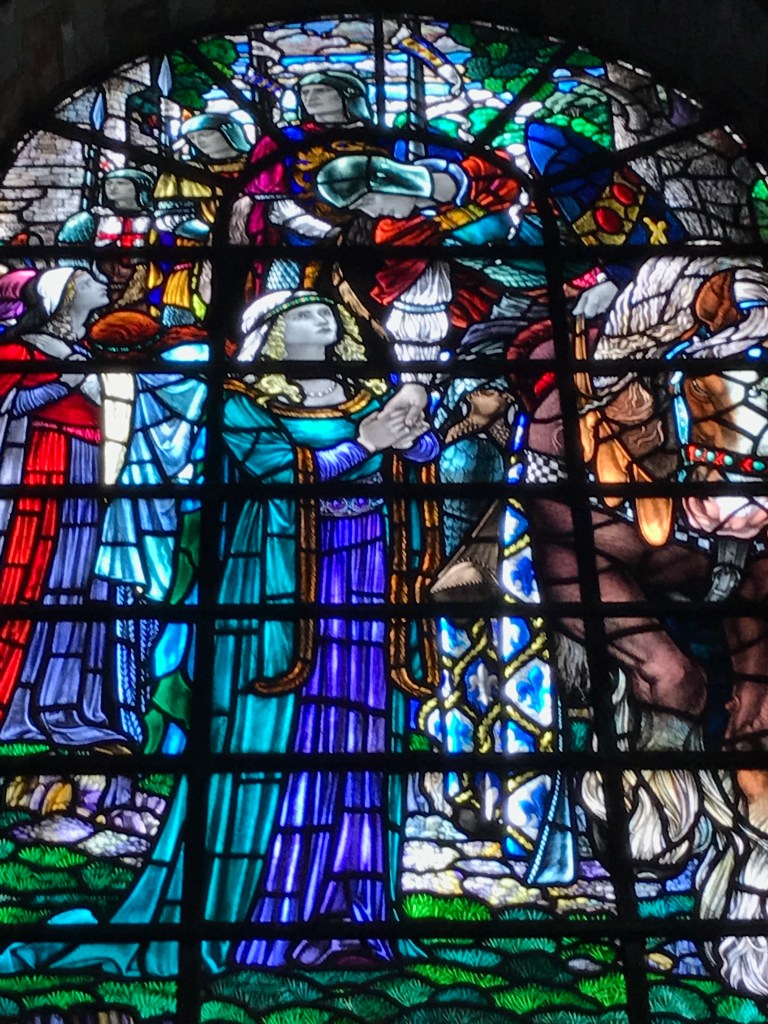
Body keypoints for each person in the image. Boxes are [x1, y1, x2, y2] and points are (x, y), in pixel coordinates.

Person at [206, 289, 438, 969]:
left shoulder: (364, 393)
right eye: (305, 311)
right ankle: (279, 911)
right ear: (274, 332)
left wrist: (412, 420)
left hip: (368, 568)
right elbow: (282, 473)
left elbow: (421, 452)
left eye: (324, 310)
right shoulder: (243, 404)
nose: (323, 315)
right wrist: (367, 442)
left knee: (361, 727)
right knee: (300, 732)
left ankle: (353, 907)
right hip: (289, 579)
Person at [0, 267, 128, 748]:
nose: (103, 283)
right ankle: (16, 703)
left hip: (88, 465)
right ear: (65, 295)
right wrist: (63, 382)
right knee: (35, 577)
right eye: (90, 279)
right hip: (41, 463)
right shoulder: (21, 348)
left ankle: (65, 703)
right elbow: (10, 406)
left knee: (78, 582)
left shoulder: (90, 352)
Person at [229, 69, 378, 295]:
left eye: (320, 90)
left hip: (370, 245)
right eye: (305, 92)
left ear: (349, 96)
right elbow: (274, 206)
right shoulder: (282, 141)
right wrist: (326, 232)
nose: (310, 97)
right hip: (294, 245)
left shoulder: (380, 140)